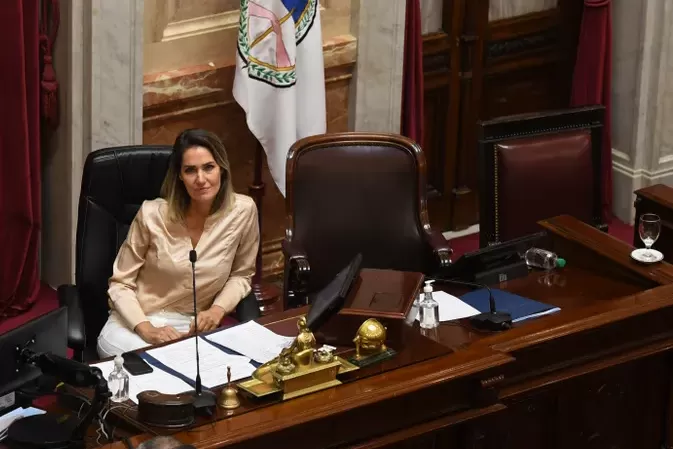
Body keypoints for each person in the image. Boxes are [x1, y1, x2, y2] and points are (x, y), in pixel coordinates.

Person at [97, 129, 259, 358]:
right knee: (145, 361)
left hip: (190, 328)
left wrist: (216, 310)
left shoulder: (243, 211)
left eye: (208, 167)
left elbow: (242, 275)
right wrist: (147, 330)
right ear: (180, 176)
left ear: (222, 168)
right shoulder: (151, 214)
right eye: (190, 170)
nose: (201, 179)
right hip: (135, 323)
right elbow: (120, 284)